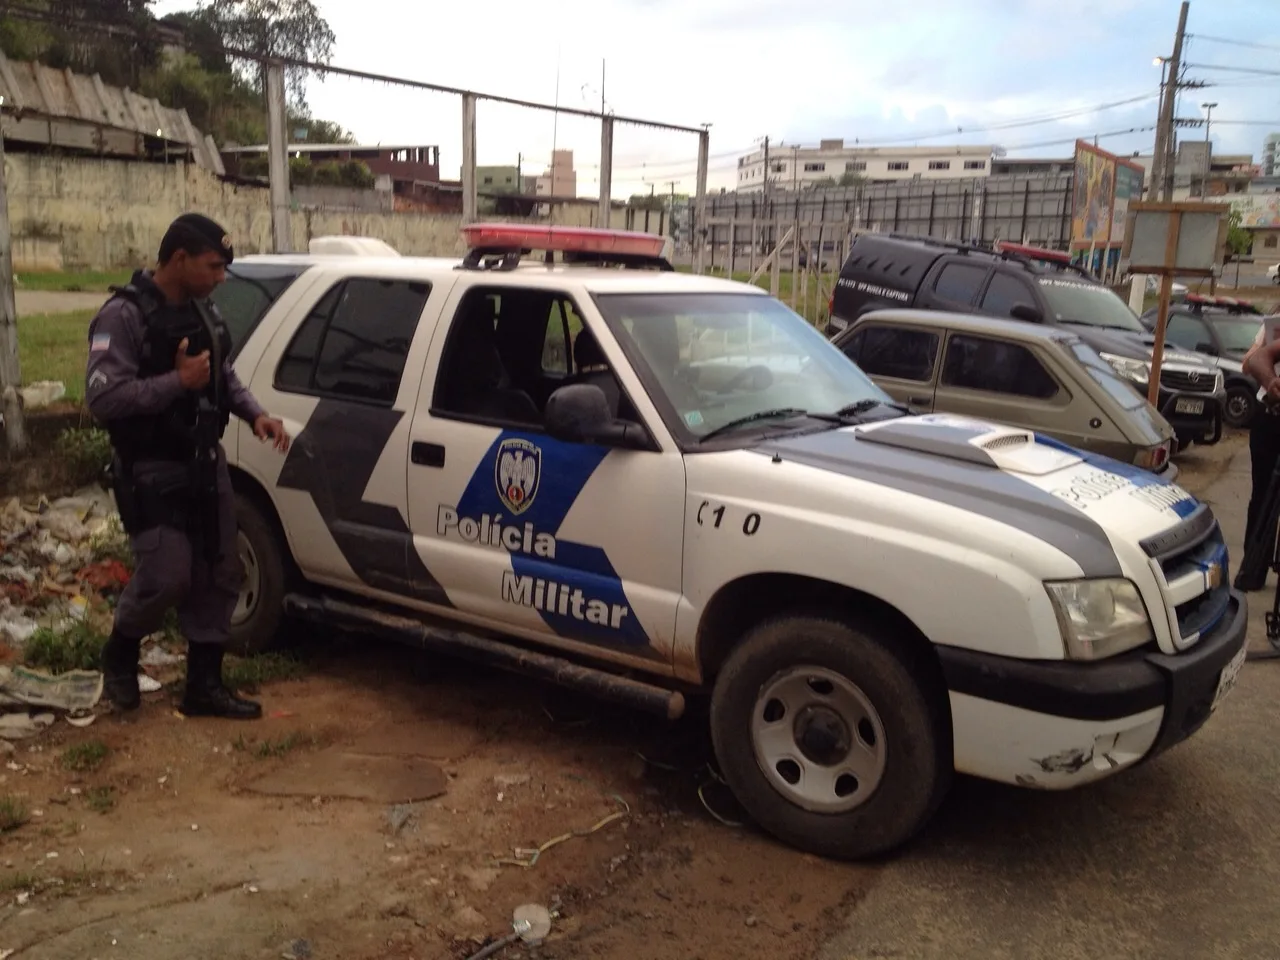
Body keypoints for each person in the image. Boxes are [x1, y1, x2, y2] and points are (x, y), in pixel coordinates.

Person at [85, 213, 291, 719]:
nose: (221, 277)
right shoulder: (123, 316)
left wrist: (256, 414)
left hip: (204, 461)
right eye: (213, 266)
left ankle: (204, 685)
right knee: (167, 575)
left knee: (220, 571)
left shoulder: (201, 311)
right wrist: (176, 383)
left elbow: (219, 371)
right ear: (179, 259)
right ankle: (121, 653)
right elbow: (103, 399)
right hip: (151, 469)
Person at [1237, 320, 1280, 591]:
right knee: (1262, 496)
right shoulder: (1273, 326)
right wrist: (1270, 380)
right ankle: (1253, 568)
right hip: (1271, 416)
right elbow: (1254, 360)